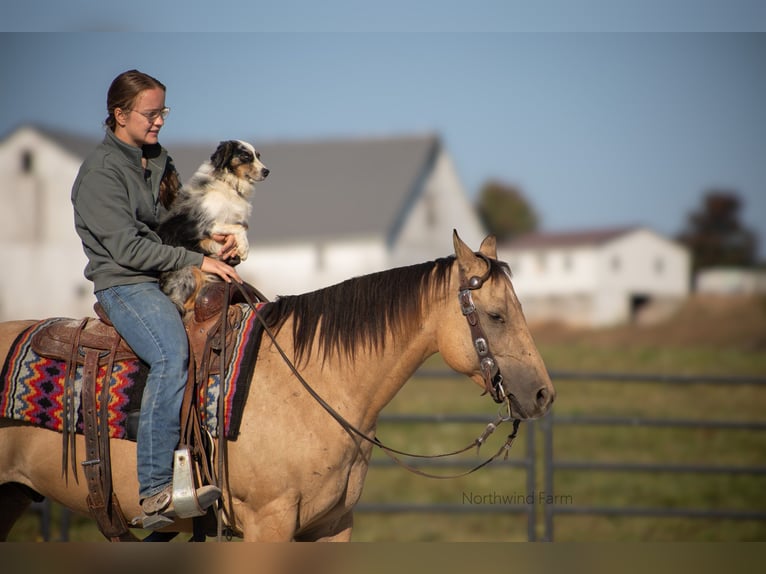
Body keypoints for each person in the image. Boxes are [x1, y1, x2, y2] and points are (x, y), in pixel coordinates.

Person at [71, 69, 240, 529]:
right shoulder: (100, 174)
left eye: (163, 111)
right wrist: (196, 260)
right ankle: (154, 490)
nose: (160, 121)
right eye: (151, 113)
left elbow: (174, 223)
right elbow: (126, 248)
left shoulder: (157, 160)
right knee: (170, 354)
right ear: (119, 114)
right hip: (125, 283)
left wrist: (211, 241)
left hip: (166, 273)